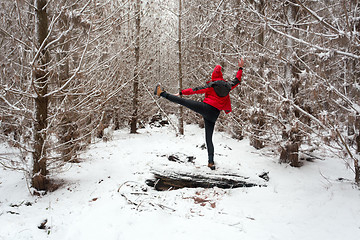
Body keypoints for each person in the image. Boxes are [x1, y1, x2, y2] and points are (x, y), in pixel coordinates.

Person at [154, 58, 244, 170]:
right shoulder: (228, 85)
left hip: (206, 108)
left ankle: (161, 93)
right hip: (214, 115)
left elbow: (195, 90)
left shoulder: (211, 85)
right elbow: (237, 79)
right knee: (209, 139)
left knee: (184, 101)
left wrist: (181, 92)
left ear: (214, 76)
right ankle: (211, 162)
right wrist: (240, 68)